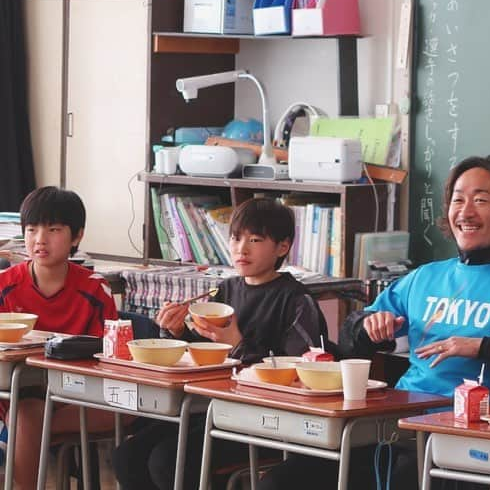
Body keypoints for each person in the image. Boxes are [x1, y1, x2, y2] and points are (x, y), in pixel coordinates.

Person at [258, 154, 490, 489]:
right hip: (397, 423)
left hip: (473, 438)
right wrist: (370, 326)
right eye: (457, 199)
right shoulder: (425, 277)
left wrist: (481, 346)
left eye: (481, 200)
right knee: (285, 478)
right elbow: (353, 335)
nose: (465, 211)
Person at [113, 197, 329, 489]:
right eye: (236, 238)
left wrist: (238, 343)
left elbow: (302, 374)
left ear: (282, 246)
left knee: (167, 461)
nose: (242, 249)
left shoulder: (296, 300)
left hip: (268, 421)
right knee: (127, 456)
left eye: (255, 239)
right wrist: (177, 333)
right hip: (215, 408)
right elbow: (204, 352)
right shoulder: (226, 290)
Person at [0, 186, 119, 488]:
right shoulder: (5, 285)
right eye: (31, 230)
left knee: (28, 420)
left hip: (76, 397)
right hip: (13, 396)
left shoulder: (94, 290)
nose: (40, 239)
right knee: (26, 413)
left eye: (53, 229)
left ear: (76, 236)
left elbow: (112, 355)